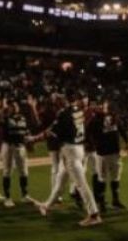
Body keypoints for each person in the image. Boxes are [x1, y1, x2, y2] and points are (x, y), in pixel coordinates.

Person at [35, 90, 103, 227]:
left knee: (81, 184)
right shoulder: (78, 111)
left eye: (57, 101)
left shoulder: (64, 113)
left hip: (70, 151)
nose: (56, 104)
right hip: (76, 149)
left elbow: (51, 132)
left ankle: (94, 214)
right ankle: (46, 206)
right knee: (60, 182)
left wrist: (34, 138)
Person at [88, 97, 128, 212]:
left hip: (115, 152)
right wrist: (94, 144)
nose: (105, 108)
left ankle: (115, 201)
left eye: (106, 106)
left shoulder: (115, 117)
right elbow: (87, 132)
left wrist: (126, 143)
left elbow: (122, 130)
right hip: (102, 153)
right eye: (103, 106)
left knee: (115, 177)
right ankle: (101, 203)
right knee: (102, 178)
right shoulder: (96, 119)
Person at [0, 94, 38, 207]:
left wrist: (33, 107)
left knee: (24, 171)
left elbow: (33, 126)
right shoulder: (6, 118)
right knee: (7, 171)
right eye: (12, 105)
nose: (14, 107)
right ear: (9, 107)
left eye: (15, 105)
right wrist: (3, 108)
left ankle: (24, 195)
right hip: (8, 146)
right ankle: (7, 197)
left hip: (21, 146)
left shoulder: (23, 117)